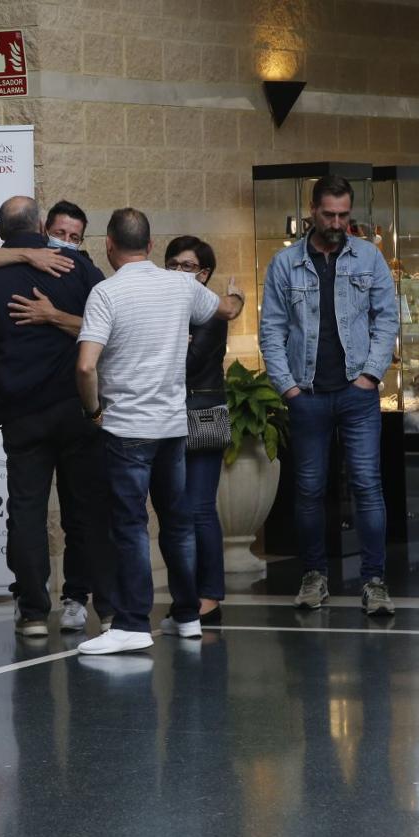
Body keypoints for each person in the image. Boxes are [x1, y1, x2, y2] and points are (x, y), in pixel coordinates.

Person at [74, 208, 244, 656]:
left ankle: (132, 622)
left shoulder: (105, 294)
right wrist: (239, 298)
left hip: (127, 428)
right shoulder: (183, 285)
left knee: (130, 526)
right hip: (173, 426)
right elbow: (226, 309)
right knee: (178, 522)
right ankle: (187, 615)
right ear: (150, 247)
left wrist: (93, 411)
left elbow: (86, 364)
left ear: (108, 244)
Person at [0, 196, 116, 637]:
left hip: (21, 412)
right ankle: (104, 607)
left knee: (26, 512)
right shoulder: (77, 269)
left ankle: (32, 613)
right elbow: (107, 327)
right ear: (43, 224)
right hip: (78, 407)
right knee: (86, 509)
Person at [258, 175, 401, 616]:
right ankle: (313, 576)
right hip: (309, 394)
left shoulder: (369, 258)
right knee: (309, 488)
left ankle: (374, 581)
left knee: (367, 486)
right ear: (312, 210)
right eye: (329, 214)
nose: (337, 222)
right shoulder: (286, 264)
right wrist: (289, 388)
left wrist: (371, 375)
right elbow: (272, 329)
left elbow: (387, 318)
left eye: (343, 214)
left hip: (357, 392)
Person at [166, 236, 229, 624]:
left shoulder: (212, 312)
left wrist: (172, 343)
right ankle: (188, 598)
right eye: (172, 264)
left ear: (203, 274)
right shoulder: (170, 307)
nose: (178, 272)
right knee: (179, 512)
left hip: (203, 414)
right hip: (172, 416)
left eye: (187, 266)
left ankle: (210, 596)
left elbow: (186, 364)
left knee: (201, 508)